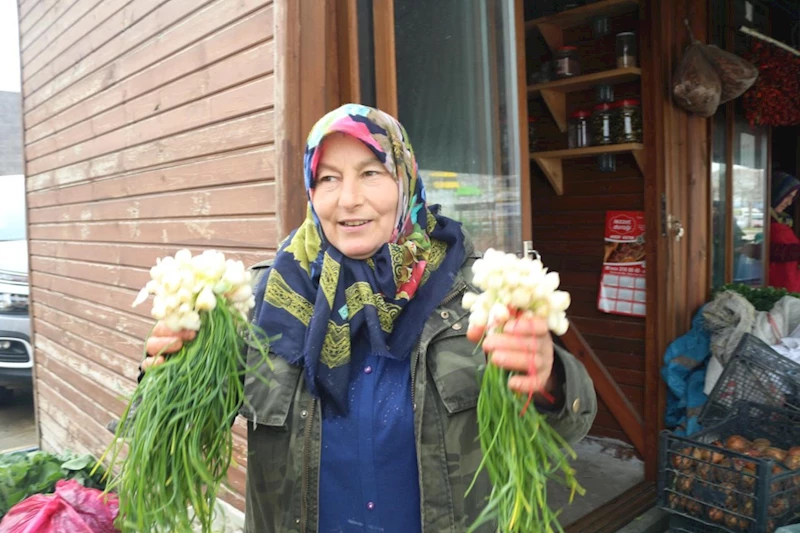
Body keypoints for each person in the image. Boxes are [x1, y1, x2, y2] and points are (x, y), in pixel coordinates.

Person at [142, 104, 597, 533]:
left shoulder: (475, 290)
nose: (348, 199)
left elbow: (568, 427)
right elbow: (184, 429)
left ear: (404, 179)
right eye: (328, 178)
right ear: (310, 189)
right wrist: (165, 376)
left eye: (371, 173)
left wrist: (551, 381)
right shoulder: (267, 298)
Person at [769, 171, 800, 292]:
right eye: (788, 196)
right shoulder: (765, 222)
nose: (789, 202)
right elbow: (769, 250)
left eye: (792, 197)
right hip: (776, 290)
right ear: (777, 192)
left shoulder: (783, 221)